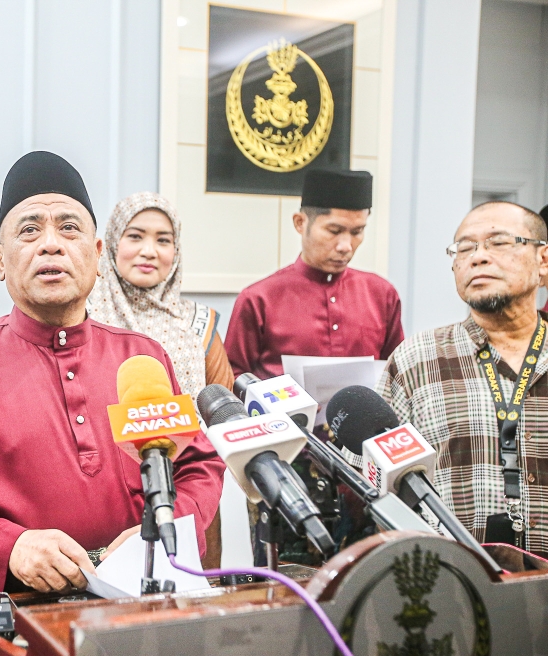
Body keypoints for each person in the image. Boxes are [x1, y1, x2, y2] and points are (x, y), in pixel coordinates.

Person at [0, 151, 225, 595]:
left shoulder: (142, 360)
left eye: (69, 228)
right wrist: (10, 547)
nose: (51, 244)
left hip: (139, 604)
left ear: (97, 255)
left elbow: (197, 467)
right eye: (29, 230)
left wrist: (162, 531)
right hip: (16, 615)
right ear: (0, 260)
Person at [378, 201, 548, 558]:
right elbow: (379, 489)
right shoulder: (416, 361)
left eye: (499, 243)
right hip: (457, 588)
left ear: (543, 262)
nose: (478, 257)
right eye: (465, 247)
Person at [86, 191, 232, 567]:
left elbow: (219, 418)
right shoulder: (83, 318)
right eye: (135, 236)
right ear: (110, 244)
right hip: (105, 499)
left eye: (163, 240)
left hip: (185, 499)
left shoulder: (200, 325)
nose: (149, 250)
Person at [224, 169, 404, 379]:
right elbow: (232, 378)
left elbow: (397, 373)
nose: (346, 246)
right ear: (301, 223)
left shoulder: (382, 294)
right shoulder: (259, 299)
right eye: (334, 231)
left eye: (357, 232)